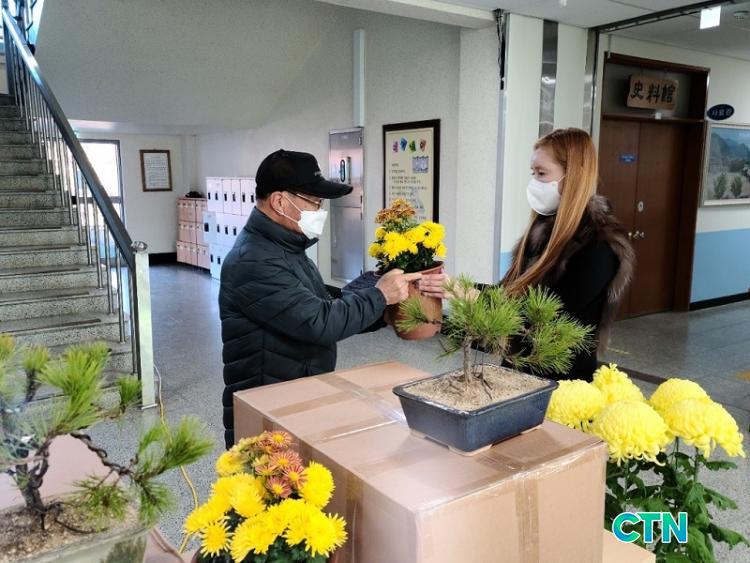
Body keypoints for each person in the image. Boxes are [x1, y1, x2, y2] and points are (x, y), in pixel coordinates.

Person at [219, 149, 419, 447]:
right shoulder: (254, 260)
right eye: (314, 202)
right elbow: (319, 322)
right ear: (279, 202)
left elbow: (322, 304)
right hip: (266, 409)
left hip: (293, 395)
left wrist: (383, 300)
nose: (320, 210)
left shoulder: (285, 248)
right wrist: (380, 295)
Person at [419, 128, 634, 381]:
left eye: (542, 173)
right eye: (533, 173)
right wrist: (456, 287)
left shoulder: (598, 245)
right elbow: (508, 293)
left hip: (562, 382)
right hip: (519, 369)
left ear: (573, 175)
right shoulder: (542, 233)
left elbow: (543, 315)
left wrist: (469, 294)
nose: (534, 182)